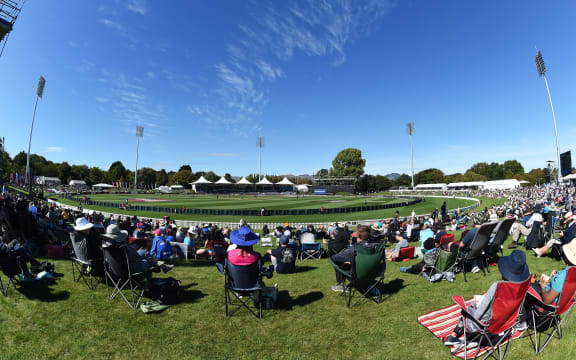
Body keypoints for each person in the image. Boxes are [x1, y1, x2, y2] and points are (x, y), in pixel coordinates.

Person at [443, 250, 530, 351]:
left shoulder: (498, 286)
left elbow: (477, 315)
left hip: (487, 325)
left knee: (466, 310)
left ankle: (452, 337)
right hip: (506, 321)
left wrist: (471, 309)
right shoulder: (522, 286)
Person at [331, 225, 383, 292]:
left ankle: (341, 285)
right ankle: (367, 286)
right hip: (375, 273)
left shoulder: (355, 248)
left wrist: (349, 261)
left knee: (338, 263)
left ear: (358, 237)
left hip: (358, 275)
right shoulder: (378, 247)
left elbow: (335, 258)